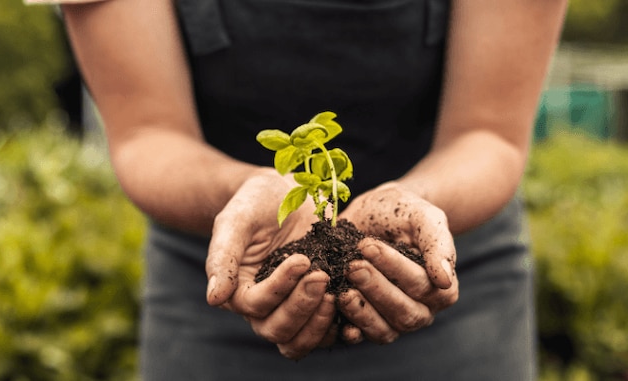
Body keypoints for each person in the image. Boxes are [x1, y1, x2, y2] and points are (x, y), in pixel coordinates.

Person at [29, 0, 567, 379]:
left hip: (447, 280)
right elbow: (149, 133)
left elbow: (488, 132)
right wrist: (246, 188)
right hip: (222, 282)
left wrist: (418, 198)